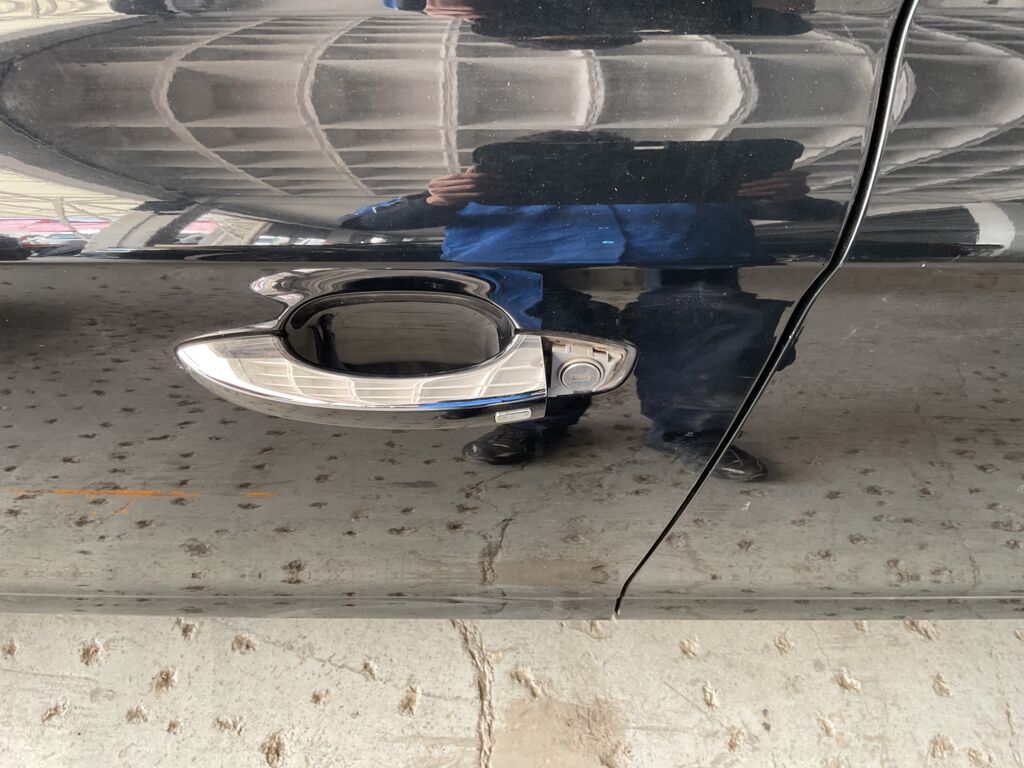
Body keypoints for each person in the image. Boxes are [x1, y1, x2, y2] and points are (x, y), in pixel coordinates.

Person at [340, 132, 842, 481]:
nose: (591, 166)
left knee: (710, 321)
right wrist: (435, 200)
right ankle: (531, 423)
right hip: (529, 275)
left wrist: (784, 197)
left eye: (606, 159)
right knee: (533, 330)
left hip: (689, 264)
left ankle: (693, 431)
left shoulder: (682, 181)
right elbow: (361, 223)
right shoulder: (494, 187)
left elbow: (827, 215)